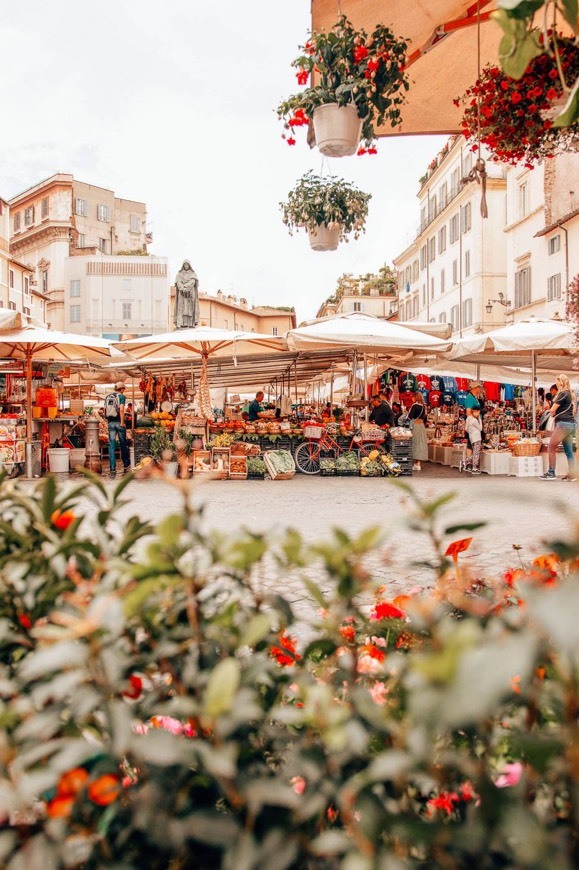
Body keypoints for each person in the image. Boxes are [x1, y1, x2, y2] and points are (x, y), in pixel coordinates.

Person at [540, 373, 576, 481]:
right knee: (568, 451)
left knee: (551, 447)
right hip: (570, 424)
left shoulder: (563, 393)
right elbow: (573, 411)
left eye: (557, 381)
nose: (556, 383)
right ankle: (573, 474)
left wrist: (551, 413)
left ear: (561, 382)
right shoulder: (570, 394)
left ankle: (551, 472)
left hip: (563, 424)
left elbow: (552, 410)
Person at [105, 381, 130, 478]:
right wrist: (122, 422)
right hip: (119, 422)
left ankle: (112, 468)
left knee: (111, 446)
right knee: (123, 444)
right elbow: (122, 409)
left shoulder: (108, 397)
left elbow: (105, 410)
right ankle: (126, 465)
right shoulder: (121, 396)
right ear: (122, 389)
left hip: (110, 423)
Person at [174, 260, 200, 329]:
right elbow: (178, 282)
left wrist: (186, 287)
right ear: (183, 265)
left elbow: (193, 281)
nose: (186, 266)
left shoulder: (193, 274)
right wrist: (182, 288)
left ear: (189, 265)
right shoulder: (179, 274)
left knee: (190, 309)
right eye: (185, 264)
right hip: (181, 293)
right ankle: (181, 323)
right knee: (181, 308)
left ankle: (190, 323)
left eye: (187, 264)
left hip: (190, 293)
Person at [408, 391, 428, 472]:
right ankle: (418, 464)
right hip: (421, 426)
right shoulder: (423, 406)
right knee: (420, 444)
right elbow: (425, 418)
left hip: (415, 426)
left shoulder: (414, 405)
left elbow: (410, 417)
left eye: (412, 397)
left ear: (415, 397)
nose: (412, 399)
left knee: (415, 443)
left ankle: (416, 464)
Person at [465, 408, 483, 475]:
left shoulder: (468, 419)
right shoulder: (474, 420)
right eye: (478, 413)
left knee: (474, 452)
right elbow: (480, 428)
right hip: (477, 438)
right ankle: (474, 468)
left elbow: (466, 429)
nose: (479, 414)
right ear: (475, 412)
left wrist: (471, 431)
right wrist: (480, 420)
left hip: (472, 438)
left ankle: (466, 462)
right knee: (476, 453)